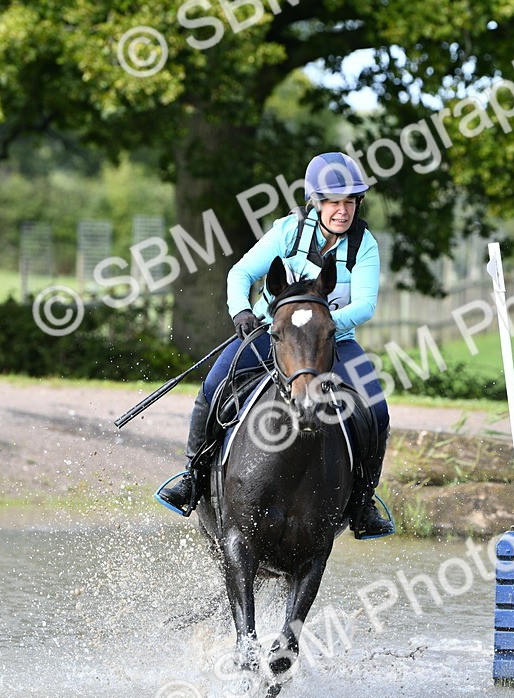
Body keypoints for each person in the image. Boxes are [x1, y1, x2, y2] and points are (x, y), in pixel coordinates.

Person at [156, 152, 393, 539]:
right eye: (333, 202)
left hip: (333, 342)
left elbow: (365, 304)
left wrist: (323, 326)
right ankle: (193, 477)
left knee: (377, 409)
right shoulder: (288, 230)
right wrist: (242, 313)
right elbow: (241, 272)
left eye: (349, 201)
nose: (342, 210)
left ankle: (364, 505)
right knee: (214, 385)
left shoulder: (363, 244)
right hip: (273, 335)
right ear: (315, 202)